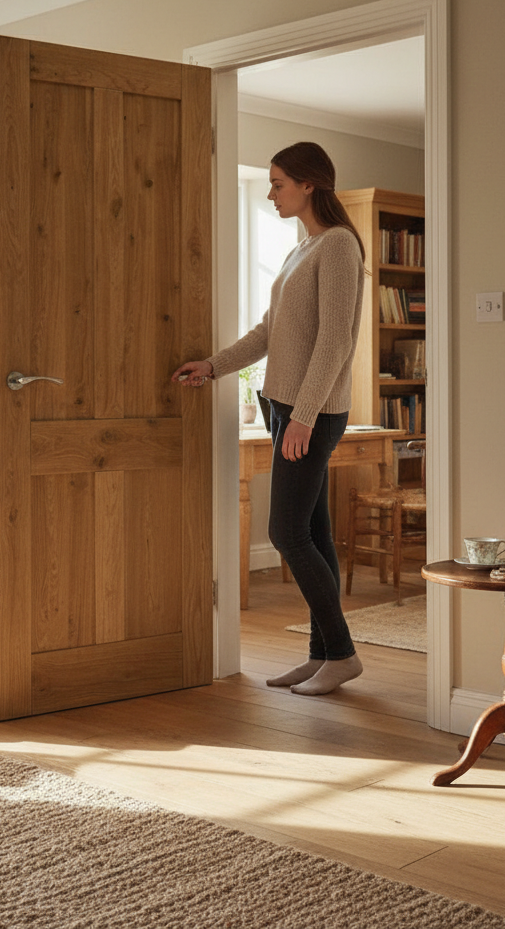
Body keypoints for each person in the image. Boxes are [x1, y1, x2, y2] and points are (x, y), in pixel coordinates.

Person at [172, 142, 365, 696]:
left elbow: (334, 342)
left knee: (285, 533)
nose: (271, 192)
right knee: (314, 532)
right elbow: (268, 334)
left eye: (278, 183)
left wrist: (304, 417)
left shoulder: (339, 248)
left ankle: (343, 654)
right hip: (286, 410)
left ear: (309, 184)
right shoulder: (301, 250)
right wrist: (212, 366)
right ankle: (322, 653)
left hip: (312, 414)